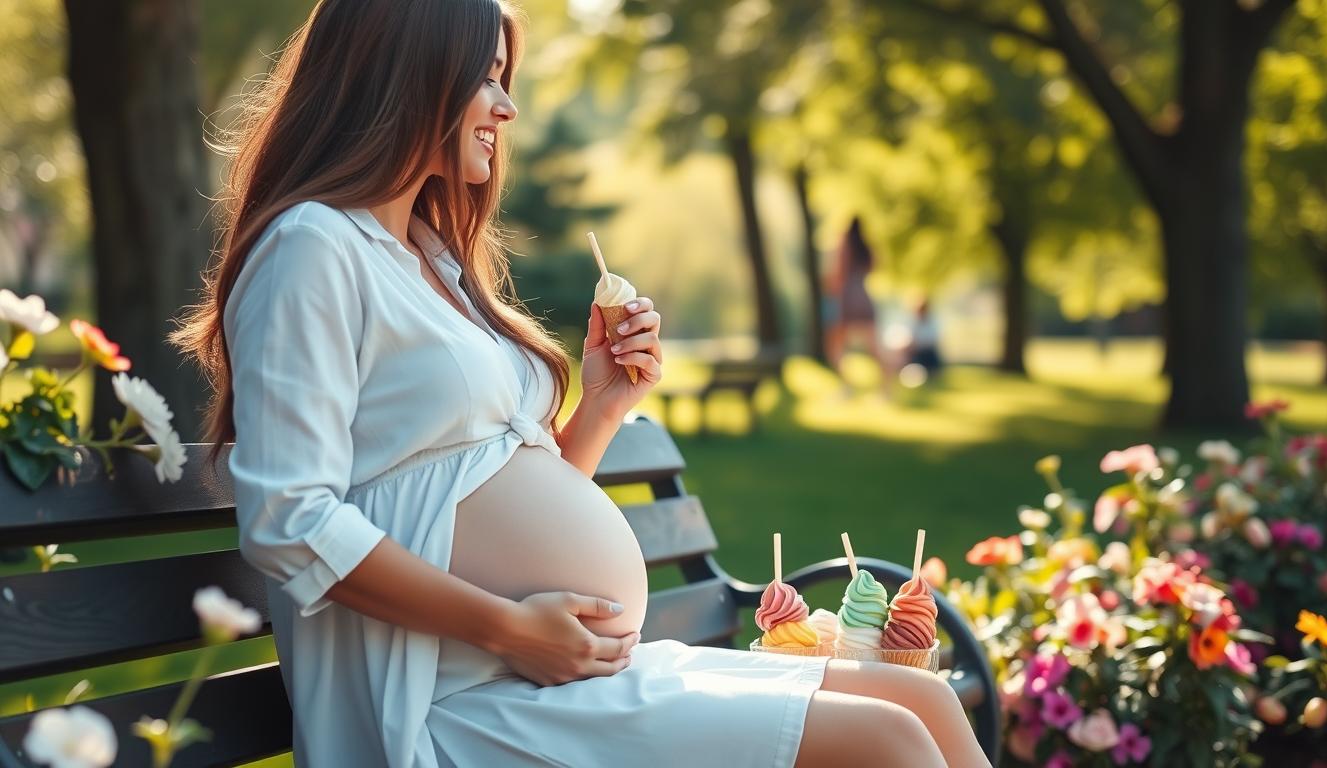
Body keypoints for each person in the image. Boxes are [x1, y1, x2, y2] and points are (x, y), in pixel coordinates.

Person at [173, 2, 987, 766]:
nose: (506, 108)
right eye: (487, 78)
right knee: (887, 738)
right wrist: (508, 628)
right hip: (447, 698)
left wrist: (599, 408)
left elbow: (486, 497)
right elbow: (290, 521)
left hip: (543, 674)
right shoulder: (313, 247)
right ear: (408, 73)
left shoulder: (431, 259)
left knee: (923, 698)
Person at [824, 218, 895, 397]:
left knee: (836, 347)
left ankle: (846, 387)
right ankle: (886, 389)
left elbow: (837, 274)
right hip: (864, 297)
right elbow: (875, 266)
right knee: (875, 349)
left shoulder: (844, 246)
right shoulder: (866, 247)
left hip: (847, 299)